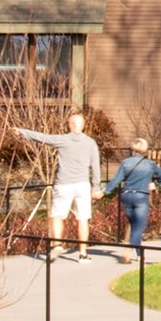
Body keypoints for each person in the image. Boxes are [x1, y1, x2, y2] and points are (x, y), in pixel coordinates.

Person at [47, 112, 102, 261]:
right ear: (83, 126)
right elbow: (95, 166)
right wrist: (96, 187)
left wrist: (22, 132)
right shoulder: (91, 143)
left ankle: (57, 244)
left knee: (57, 215)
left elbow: (42, 138)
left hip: (64, 183)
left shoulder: (63, 140)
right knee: (82, 218)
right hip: (83, 185)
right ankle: (83, 253)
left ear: (71, 125)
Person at [101, 137, 161, 256]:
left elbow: (116, 180)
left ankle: (139, 254)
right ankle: (129, 249)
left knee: (134, 225)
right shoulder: (149, 164)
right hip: (141, 197)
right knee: (139, 226)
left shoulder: (125, 162)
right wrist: (156, 184)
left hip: (126, 196)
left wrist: (104, 191)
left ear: (133, 149)